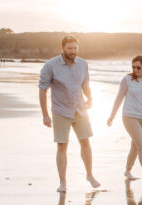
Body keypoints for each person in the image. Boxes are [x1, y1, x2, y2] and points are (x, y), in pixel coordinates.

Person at [38, 35, 100, 193]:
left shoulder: (83, 64)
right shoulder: (50, 65)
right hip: (60, 111)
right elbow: (42, 90)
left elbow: (85, 84)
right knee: (62, 146)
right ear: (62, 48)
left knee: (85, 142)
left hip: (80, 110)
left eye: (75, 48)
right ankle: (63, 182)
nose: (73, 51)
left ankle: (90, 175)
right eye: (70, 48)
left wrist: (90, 97)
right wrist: (45, 115)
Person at [107, 55, 142, 184]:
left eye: (138, 67)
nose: (135, 70)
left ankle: (127, 170)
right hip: (129, 116)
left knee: (136, 145)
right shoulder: (127, 79)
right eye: (133, 67)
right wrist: (112, 116)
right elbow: (119, 98)